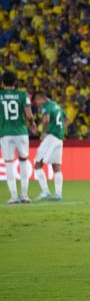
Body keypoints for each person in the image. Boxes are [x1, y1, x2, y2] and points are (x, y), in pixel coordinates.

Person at [0, 71, 36, 204]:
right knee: (23, 162)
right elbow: (29, 115)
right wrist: (32, 124)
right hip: (21, 132)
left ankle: (14, 197)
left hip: (5, 133)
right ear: (15, 82)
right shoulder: (23, 95)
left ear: (3, 82)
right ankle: (25, 195)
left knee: (9, 164)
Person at [32, 92, 68, 202]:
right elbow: (67, 119)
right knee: (56, 167)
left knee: (38, 165)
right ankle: (58, 194)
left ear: (40, 98)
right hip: (59, 139)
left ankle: (45, 191)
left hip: (51, 137)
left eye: (36, 102)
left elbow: (46, 120)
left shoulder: (46, 106)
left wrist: (43, 133)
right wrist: (61, 130)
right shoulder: (56, 105)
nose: (37, 105)